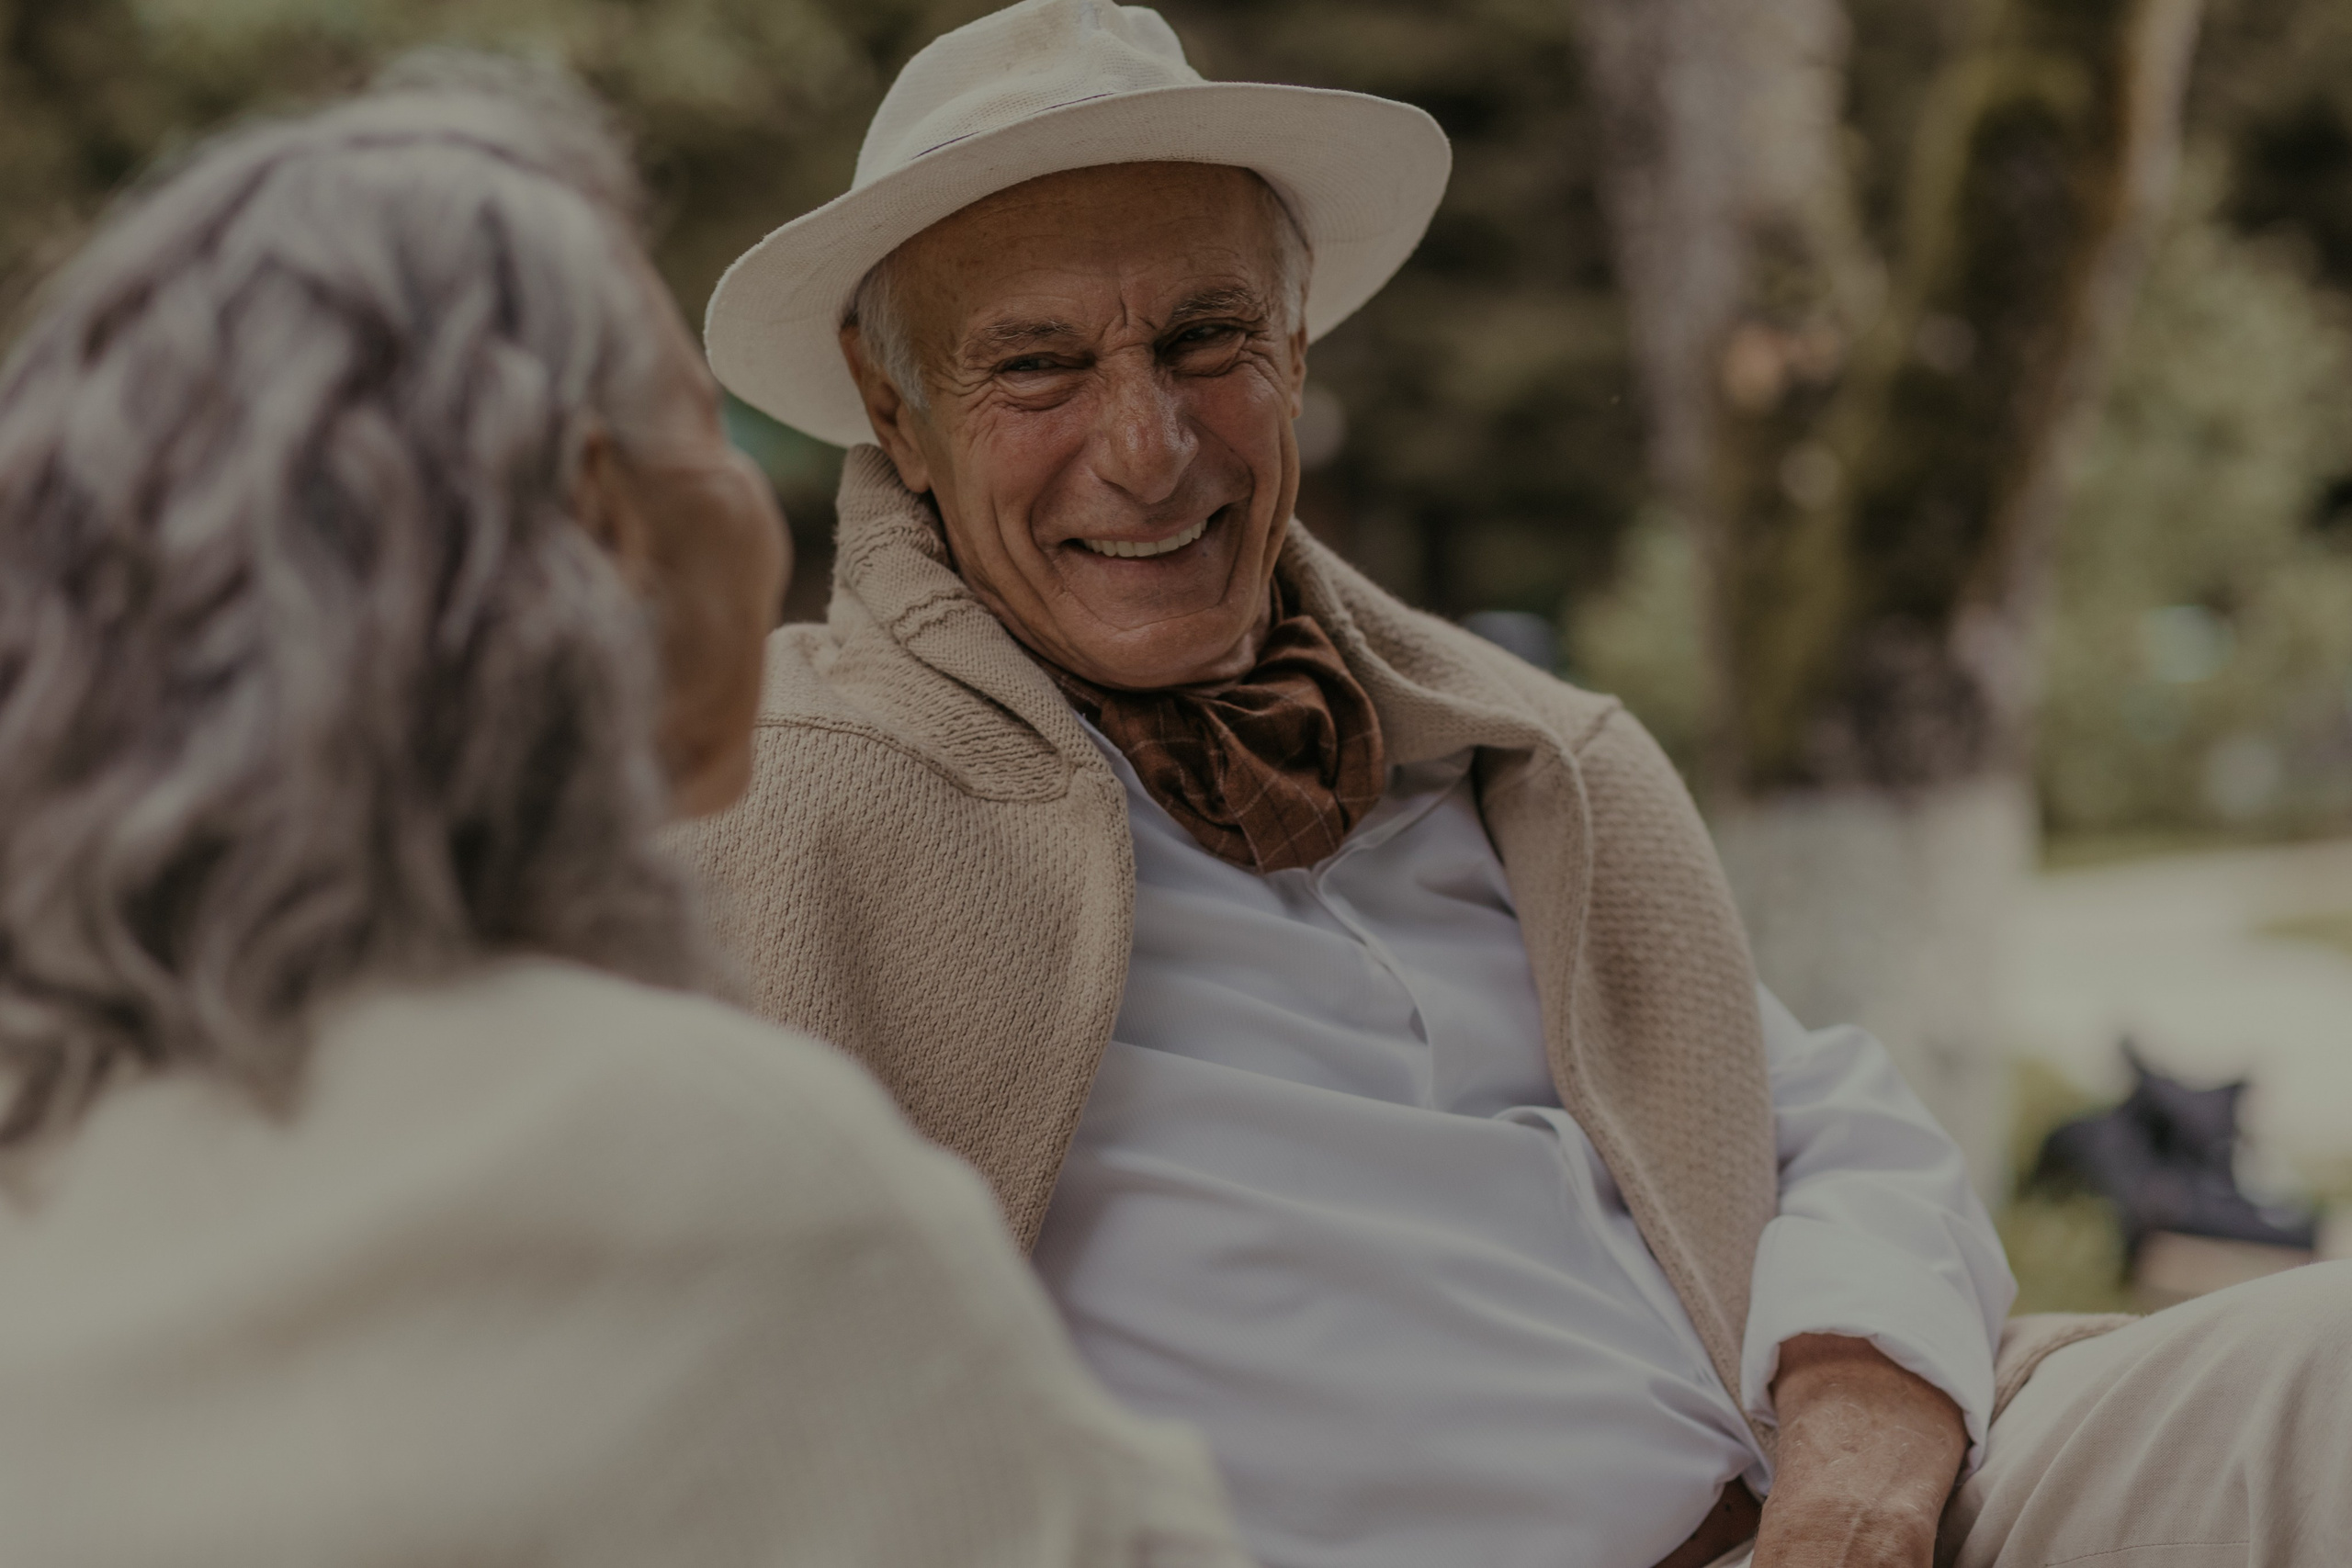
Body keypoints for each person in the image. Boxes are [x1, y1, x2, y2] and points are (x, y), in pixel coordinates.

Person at [681, 3, 2352, 1566]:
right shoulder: (792, 793)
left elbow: (1822, 1119)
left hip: (1861, 1509)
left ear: (1299, 350)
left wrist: (1857, 1416)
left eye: (1206, 340)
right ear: (898, 420)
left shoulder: (1509, 750)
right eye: (1035, 368)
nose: (1148, 446)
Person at [0, 60, 1254, 1568]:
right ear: (601, 532)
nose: (753, 493)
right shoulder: (721, 1170)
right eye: (702, 424)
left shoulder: (60, 1145)